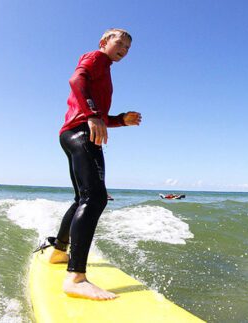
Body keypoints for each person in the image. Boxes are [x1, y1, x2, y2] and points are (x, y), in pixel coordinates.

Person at [41, 29, 141, 301]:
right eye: (119, 43)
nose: (123, 49)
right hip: (81, 132)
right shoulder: (96, 58)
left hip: (70, 133)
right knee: (96, 198)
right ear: (103, 43)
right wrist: (94, 115)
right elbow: (76, 80)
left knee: (82, 198)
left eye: (128, 47)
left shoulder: (105, 69)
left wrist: (120, 119)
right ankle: (76, 277)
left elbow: (97, 116)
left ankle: (59, 251)